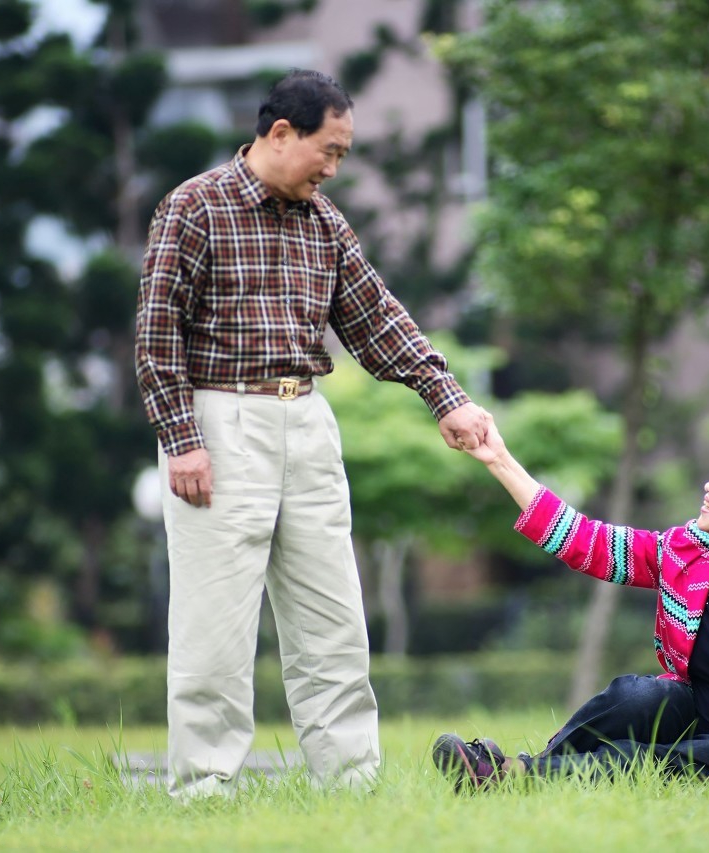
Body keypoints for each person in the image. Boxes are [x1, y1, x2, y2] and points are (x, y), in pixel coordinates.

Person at [135, 68, 488, 798]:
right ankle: (204, 789)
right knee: (214, 628)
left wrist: (445, 396)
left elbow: (378, 318)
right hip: (219, 421)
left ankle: (353, 786)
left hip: (309, 421)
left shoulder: (325, 222)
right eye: (327, 150)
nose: (333, 167)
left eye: (343, 156)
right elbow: (155, 334)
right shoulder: (194, 207)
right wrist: (181, 438)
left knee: (334, 619)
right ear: (280, 133)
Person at [434, 419, 709, 789]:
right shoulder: (689, 553)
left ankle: (511, 776)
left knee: (637, 761)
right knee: (636, 695)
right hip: (696, 713)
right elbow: (585, 541)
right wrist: (499, 459)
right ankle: (512, 771)